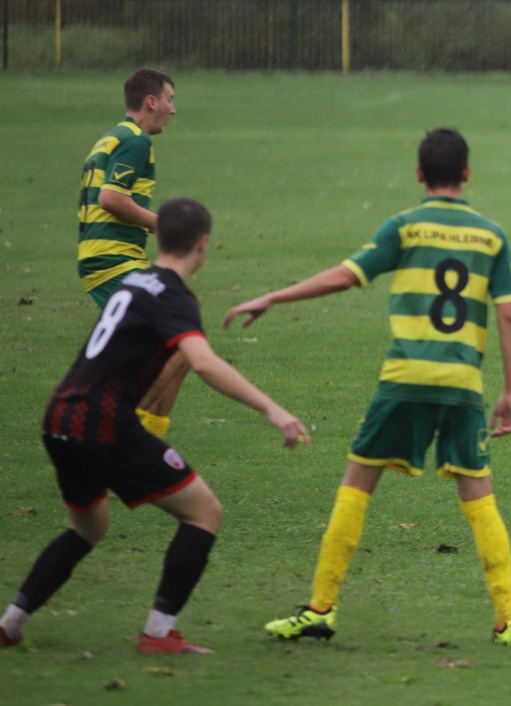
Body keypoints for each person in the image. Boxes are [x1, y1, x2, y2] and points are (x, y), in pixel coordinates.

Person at [223, 128, 511, 646]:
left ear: (419, 175)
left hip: (404, 379)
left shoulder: (404, 228)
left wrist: (273, 296)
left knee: (356, 484)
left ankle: (321, 608)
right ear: (468, 174)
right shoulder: (491, 236)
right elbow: (509, 317)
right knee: (479, 495)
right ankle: (509, 620)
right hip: (462, 385)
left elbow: (344, 276)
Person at [0, 198, 311, 654]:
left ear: (158, 235)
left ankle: (10, 625)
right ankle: (159, 634)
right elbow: (201, 362)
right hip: (101, 421)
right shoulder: (172, 295)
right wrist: (273, 409)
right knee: (205, 512)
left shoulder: (132, 280)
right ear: (203, 244)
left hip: (61, 415)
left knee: (88, 527)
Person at [78, 67, 188, 442]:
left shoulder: (111, 138)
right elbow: (111, 198)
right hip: (112, 260)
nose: (173, 110)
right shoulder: (136, 140)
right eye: (170, 100)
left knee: (179, 334)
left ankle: (143, 432)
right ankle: (130, 433)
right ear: (151, 101)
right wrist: (161, 225)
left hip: (108, 258)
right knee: (182, 341)